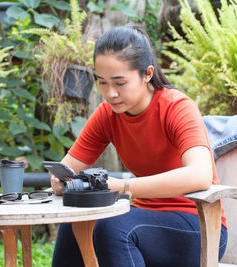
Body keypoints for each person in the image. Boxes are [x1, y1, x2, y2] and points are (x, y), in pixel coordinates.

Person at [50, 24, 227, 267]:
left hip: (197, 225)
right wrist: (62, 182)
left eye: (119, 83)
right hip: (141, 221)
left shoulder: (177, 108)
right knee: (77, 221)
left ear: (147, 73)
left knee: (112, 227)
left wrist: (123, 187)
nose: (110, 93)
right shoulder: (107, 115)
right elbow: (66, 167)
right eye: (102, 83)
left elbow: (200, 175)